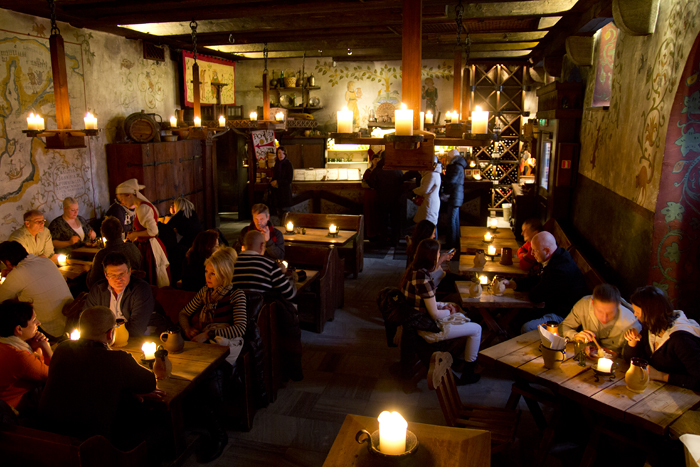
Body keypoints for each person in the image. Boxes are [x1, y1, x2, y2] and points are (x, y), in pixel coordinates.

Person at [38, 306, 159, 448]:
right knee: (157, 423)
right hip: (91, 443)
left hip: (49, 433)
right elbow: (149, 383)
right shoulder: (118, 360)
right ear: (110, 334)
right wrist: (129, 389)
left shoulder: (62, 349)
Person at [400, 238, 482, 385]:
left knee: (457, 310)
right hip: (426, 327)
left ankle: (456, 358)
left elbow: (422, 302)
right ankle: (468, 374)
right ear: (431, 257)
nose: (439, 256)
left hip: (416, 321)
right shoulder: (423, 279)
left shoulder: (414, 271)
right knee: (476, 329)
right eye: (438, 254)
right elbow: (435, 314)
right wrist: (450, 312)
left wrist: (444, 307)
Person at [503, 231, 589, 333]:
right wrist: (514, 284)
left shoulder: (559, 270)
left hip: (564, 315)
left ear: (547, 250)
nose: (531, 253)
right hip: (554, 306)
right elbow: (538, 278)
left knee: (526, 327)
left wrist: (530, 287)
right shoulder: (556, 255)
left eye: (535, 250)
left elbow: (536, 296)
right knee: (514, 315)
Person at [623, 286, 700, 390]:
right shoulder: (651, 328)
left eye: (637, 312)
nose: (635, 315)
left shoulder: (681, 340)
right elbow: (632, 361)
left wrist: (661, 376)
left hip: (682, 394)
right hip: (655, 389)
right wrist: (632, 343)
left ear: (650, 313)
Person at [0, 241, 72, 340]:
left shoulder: (18, 273)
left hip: (49, 329)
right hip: (69, 320)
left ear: (7, 262)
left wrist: (8, 276)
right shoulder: (46, 261)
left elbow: (1, 299)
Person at [179, 247, 247, 344]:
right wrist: (187, 329)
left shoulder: (236, 294)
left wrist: (208, 334)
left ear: (223, 274)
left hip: (222, 342)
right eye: (206, 271)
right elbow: (183, 313)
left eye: (213, 273)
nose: (207, 277)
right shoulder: (205, 292)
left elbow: (240, 329)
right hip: (205, 338)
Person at [84, 252, 156, 338]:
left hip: (139, 338)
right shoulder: (98, 290)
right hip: (106, 339)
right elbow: (87, 321)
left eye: (122, 274)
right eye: (112, 275)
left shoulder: (141, 289)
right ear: (106, 275)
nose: (118, 279)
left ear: (129, 271)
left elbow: (137, 328)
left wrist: (107, 335)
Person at [0, 300, 52, 415]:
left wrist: (35, 348)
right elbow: (54, 375)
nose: (38, 323)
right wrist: (46, 348)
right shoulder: (20, 357)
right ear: (19, 329)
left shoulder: (5, 343)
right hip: (8, 411)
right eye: (34, 320)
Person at [116, 178, 170, 287]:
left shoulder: (143, 208)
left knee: (152, 278)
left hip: (150, 247)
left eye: (122, 199)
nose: (122, 203)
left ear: (129, 195)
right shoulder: (139, 207)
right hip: (145, 246)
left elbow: (153, 231)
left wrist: (135, 234)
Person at [559, 284, 641, 354]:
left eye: (610, 313)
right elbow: (563, 327)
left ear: (618, 305)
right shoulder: (584, 305)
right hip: (584, 356)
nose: (604, 318)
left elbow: (628, 358)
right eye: (600, 311)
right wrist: (574, 335)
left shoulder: (631, 323)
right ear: (592, 303)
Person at [231, 230, 296, 300]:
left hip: (234, 306)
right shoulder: (270, 265)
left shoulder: (231, 264)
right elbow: (289, 294)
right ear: (262, 245)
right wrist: (285, 275)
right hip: (263, 306)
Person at [86, 216, 143, 289]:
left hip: (113, 293)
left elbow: (93, 285)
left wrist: (89, 270)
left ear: (103, 234)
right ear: (121, 231)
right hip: (136, 289)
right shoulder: (133, 248)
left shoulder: (101, 255)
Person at [364, 152, 404, 245]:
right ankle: (395, 240)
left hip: (382, 198)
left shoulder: (378, 169)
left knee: (382, 221)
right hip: (395, 198)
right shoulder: (397, 168)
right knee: (395, 220)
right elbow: (401, 181)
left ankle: (382, 240)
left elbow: (371, 183)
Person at [164, 197, 203, 282]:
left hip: (188, 243)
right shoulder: (192, 213)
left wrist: (171, 216)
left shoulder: (179, 215)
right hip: (198, 240)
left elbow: (167, 227)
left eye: (174, 206)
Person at [441, 149, 467, 252]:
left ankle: (451, 244)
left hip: (454, 196)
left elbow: (451, 181)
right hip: (456, 196)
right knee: (454, 220)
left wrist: (441, 175)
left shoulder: (455, 166)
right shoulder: (459, 165)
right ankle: (455, 243)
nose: (447, 159)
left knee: (451, 220)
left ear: (451, 157)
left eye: (448, 157)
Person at [412, 156, 441, 227]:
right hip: (429, 201)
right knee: (429, 223)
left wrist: (414, 190)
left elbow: (424, 190)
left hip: (429, 202)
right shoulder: (433, 173)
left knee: (427, 224)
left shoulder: (431, 174)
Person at [270, 146, 293, 220]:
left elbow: (289, 180)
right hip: (277, 194)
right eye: (279, 153)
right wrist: (272, 182)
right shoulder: (277, 164)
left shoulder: (288, 164)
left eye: (283, 153)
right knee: (279, 215)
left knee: (286, 215)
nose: (281, 155)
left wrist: (278, 182)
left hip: (285, 194)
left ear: (285, 154)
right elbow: (275, 176)